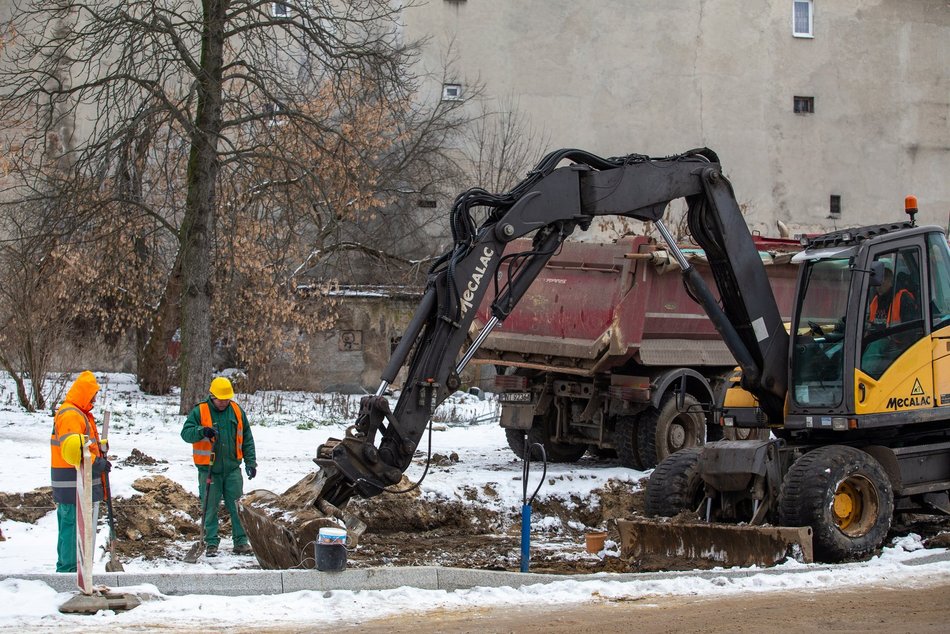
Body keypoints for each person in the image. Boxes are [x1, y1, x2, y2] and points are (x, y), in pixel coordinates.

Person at [181, 377, 258, 556]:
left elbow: (247, 438)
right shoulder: (200, 411)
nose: (224, 402)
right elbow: (185, 433)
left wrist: (251, 462)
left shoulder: (237, 411)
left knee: (237, 507)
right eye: (220, 399)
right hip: (209, 470)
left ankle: (240, 542)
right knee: (210, 507)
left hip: (232, 469)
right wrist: (202, 431)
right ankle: (211, 543)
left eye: (226, 399)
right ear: (212, 396)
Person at [50, 370, 111, 572]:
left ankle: (74, 569)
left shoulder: (80, 414)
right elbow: (74, 449)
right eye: (93, 393)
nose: (95, 398)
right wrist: (97, 463)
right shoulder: (71, 415)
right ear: (85, 393)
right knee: (71, 527)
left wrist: (98, 449)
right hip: (71, 480)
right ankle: (67, 571)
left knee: (75, 526)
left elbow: (84, 444)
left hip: (76, 480)